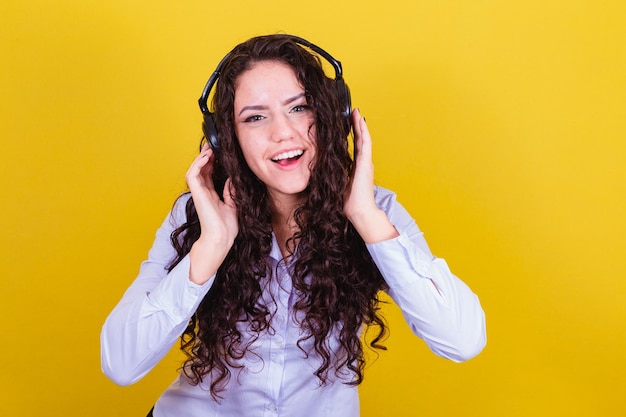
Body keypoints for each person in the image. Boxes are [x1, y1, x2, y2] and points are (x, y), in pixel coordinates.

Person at [101, 34, 486, 417]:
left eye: (299, 108)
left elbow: (463, 340)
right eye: (255, 117)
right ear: (227, 139)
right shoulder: (200, 214)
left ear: (333, 116)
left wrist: (366, 218)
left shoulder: (375, 211)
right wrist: (212, 245)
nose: (282, 133)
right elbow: (120, 364)